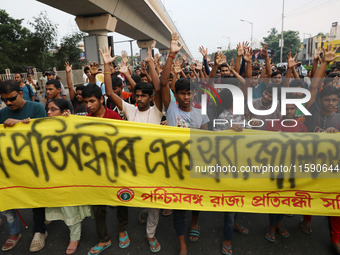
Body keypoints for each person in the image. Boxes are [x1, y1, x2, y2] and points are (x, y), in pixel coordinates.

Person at [100, 45, 163, 253]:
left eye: (144, 96)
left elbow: (160, 87)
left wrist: (152, 64)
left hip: (154, 164)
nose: (139, 99)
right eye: (137, 96)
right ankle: (140, 211)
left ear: (150, 97)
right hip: (132, 164)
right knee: (133, 195)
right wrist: (107, 66)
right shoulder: (129, 108)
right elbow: (109, 92)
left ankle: (150, 234)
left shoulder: (157, 111)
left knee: (154, 200)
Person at [160, 32, 209, 255]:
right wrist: (171, 54)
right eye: (182, 93)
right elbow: (162, 82)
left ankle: (195, 223)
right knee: (179, 205)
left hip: (197, 163)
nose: (186, 97)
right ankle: (182, 243)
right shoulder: (171, 107)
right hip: (175, 164)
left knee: (196, 199)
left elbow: (207, 140)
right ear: (176, 95)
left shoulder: (202, 113)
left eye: (189, 93)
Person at [81, 83, 129, 255]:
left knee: (121, 199)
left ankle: (122, 229)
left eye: (92, 101)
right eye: (86, 102)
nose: (89, 105)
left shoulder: (114, 116)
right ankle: (104, 238)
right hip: (95, 171)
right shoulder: (84, 120)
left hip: (116, 169)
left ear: (101, 99)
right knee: (98, 206)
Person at [0, 80, 47, 253]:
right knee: (7, 196)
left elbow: (45, 134)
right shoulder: (2, 113)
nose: (9, 103)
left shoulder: (37, 108)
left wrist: (20, 126)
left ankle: (39, 231)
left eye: (12, 98)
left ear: (21, 93)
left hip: (34, 164)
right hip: (10, 166)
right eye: (5, 100)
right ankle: (14, 233)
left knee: (36, 198)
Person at [43, 98, 91, 255]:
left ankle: (74, 238)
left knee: (70, 206)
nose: (49, 112)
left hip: (71, 176)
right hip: (52, 176)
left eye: (53, 109)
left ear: (64, 112)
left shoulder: (73, 125)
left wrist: (71, 123)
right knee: (63, 205)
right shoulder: (41, 127)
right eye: (48, 109)